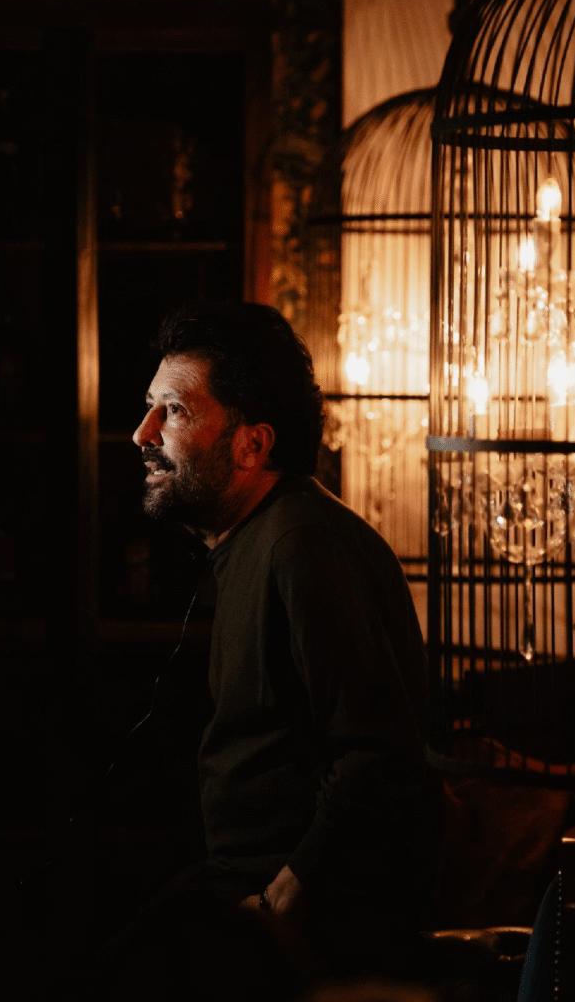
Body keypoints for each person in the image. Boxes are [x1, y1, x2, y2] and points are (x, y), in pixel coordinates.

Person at [115, 302, 436, 990]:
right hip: (238, 887)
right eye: (148, 408)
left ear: (251, 445)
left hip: (303, 918)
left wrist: (280, 904)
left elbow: (378, 757)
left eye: (173, 411)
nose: (142, 433)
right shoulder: (251, 539)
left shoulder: (305, 545)